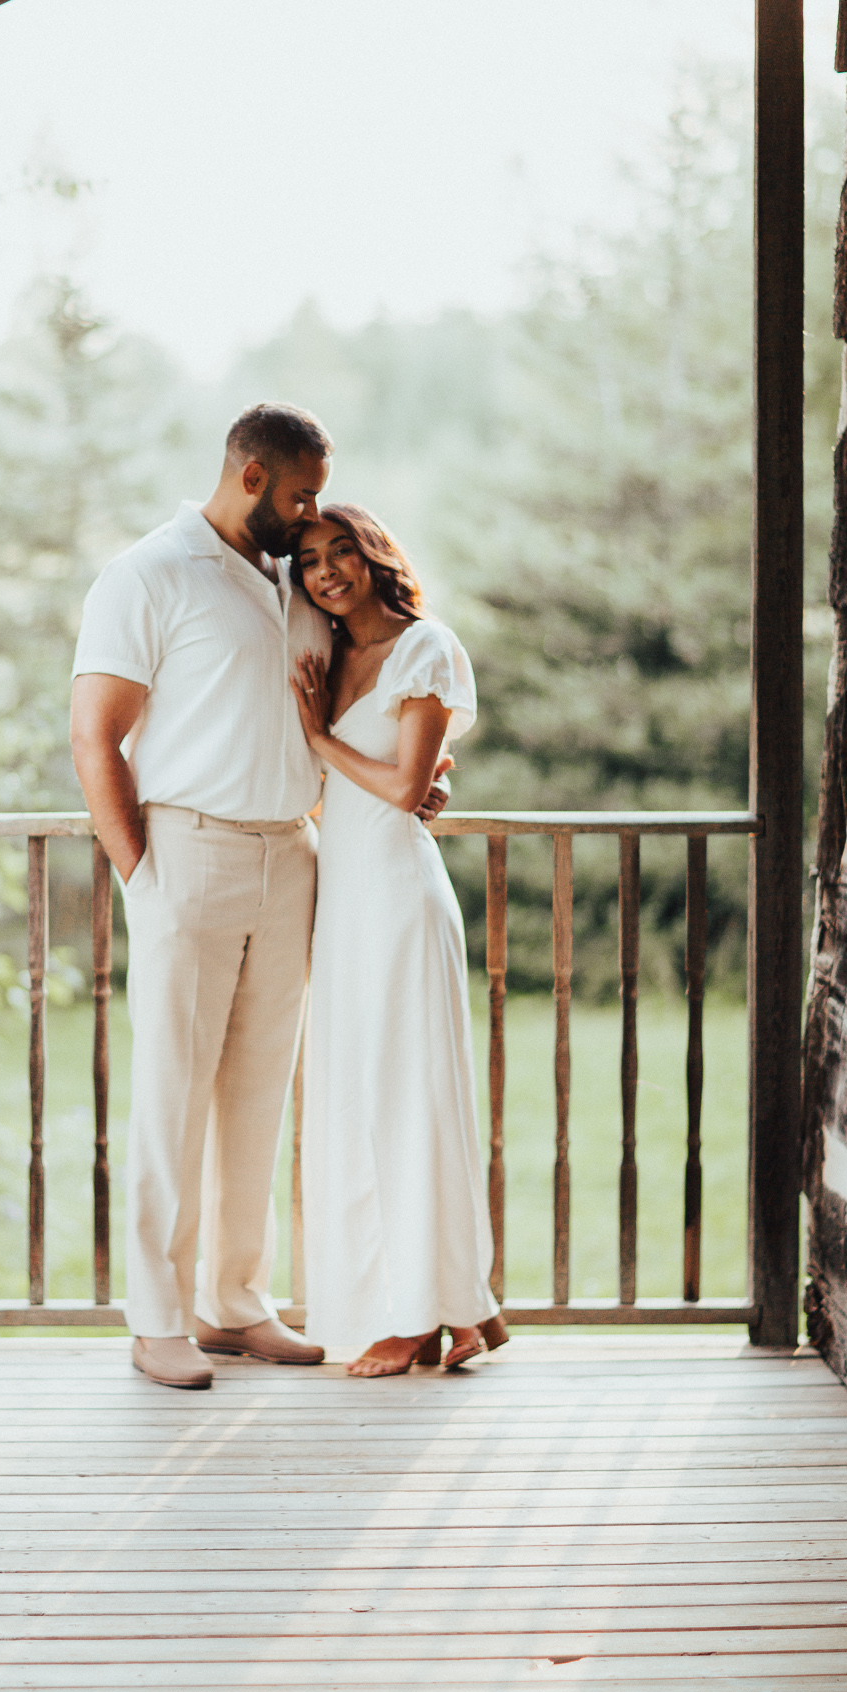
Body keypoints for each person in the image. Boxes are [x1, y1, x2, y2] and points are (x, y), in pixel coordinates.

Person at [70, 407, 448, 1389]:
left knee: (254, 1094)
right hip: (187, 855)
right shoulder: (146, 574)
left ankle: (232, 1302)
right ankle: (157, 1318)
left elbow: (374, 682)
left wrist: (425, 775)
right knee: (171, 1092)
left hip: (295, 854)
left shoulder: (294, 582)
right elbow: (93, 736)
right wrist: (141, 870)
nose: (311, 512)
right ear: (249, 476)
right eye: (299, 494)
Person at [289, 503, 508, 1377]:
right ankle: (460, 1309)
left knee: (409, 1102)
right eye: (308, 560)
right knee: (357, 1103)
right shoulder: (327, 657)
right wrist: (320, 751)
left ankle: (420, 1313)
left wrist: (315, 737)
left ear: (376, 556)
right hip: (341, 903)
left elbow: (406, 783)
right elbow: (342, 792)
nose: (327, 571)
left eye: (342, 551)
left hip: (397, 900)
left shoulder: (425, 647)